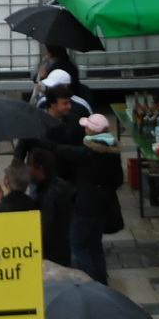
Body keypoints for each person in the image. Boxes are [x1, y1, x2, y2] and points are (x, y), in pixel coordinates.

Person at [56, 115, 124, 285]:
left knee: (78, 245)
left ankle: (91, 282)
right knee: (95, 245)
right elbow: (118, 180)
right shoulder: (112, 152)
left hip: (85, 207)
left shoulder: (87, 152)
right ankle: (101, 282)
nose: (85, 129)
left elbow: (63, 151)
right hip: (104, 207)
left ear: (93, 130)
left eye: (87, 126)